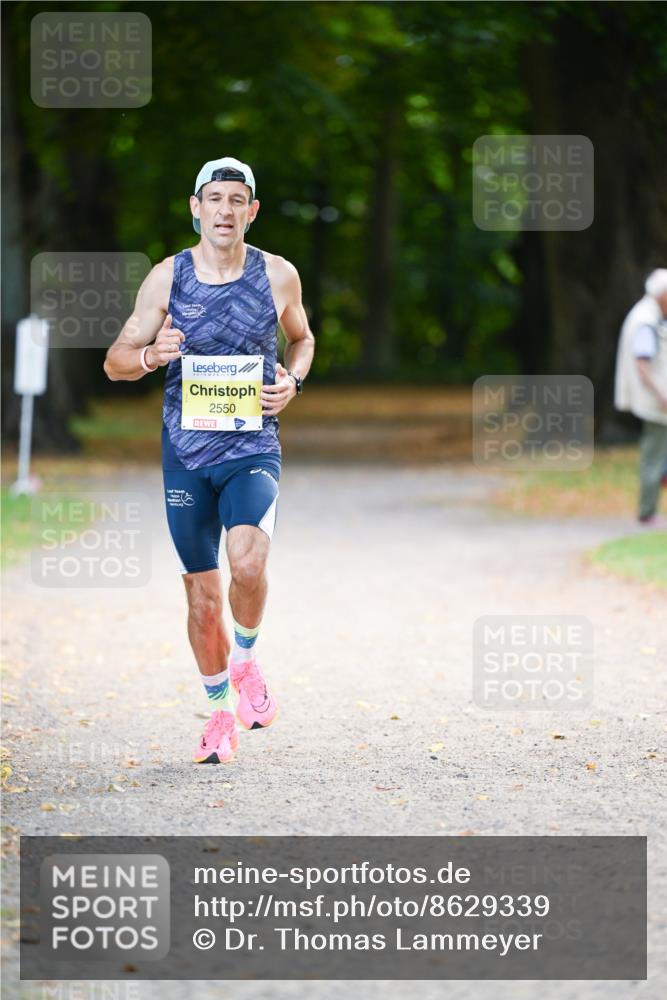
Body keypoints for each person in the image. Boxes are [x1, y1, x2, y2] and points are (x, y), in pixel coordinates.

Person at [103, 156, 315, 763]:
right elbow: (116, 360)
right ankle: (220, 712)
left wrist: (293, 381)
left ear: (252, 211)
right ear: (196, 208)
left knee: (246, 564)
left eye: (236, 200)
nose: (225, 210)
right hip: (186, 456)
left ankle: (245, 659)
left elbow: (302, 339)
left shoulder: (277, 274)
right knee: (201, 599)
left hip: (251, 446)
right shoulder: (166, 278)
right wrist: (152, 355)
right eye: (214, 199)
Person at [614, 269, 667, 524]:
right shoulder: (646, 320)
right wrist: (662, 395)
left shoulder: (649, 314)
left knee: (657, 454)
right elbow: (642, 364)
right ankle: (647, 513)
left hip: (656, 401)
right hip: (656, 403)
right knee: (653, 456)